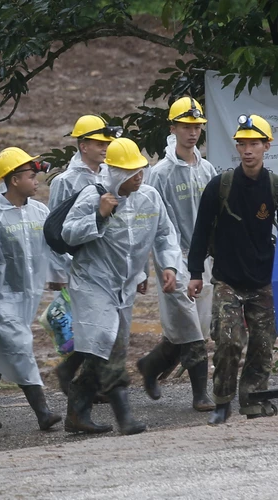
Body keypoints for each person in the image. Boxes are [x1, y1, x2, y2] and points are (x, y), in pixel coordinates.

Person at [62, 138, 181, 436]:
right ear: (114, 173)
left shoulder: (150, 198)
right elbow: (68, 234)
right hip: (92, 281)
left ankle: (76, 408)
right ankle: (124, 416)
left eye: (140, 171)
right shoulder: (93, 196)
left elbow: (165, 235)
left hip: (124, 285)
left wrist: (169, 266)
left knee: (107, 347)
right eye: (130, 172)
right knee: (108, 341)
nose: (138, 177)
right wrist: (98, 215)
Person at [0, 147, 62, 432]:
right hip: (0, 299)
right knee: (20, 347)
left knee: (0, 353)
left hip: (28, 297)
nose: (36, 181)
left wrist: (59, 276)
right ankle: (43, 412)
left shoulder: (39, 211)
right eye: (32, 176)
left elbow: (52, 248)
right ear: (14, 179)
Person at [187, 114, 277, 425]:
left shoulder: (273, 185)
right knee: (227, 340)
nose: (248, 150)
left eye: (254, 144)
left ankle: (252, 400)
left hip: (262, 278)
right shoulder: (220, 186)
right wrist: (195, 273)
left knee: (264, 343)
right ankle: (222, 401)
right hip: (226, 277)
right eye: (242, 144)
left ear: (267, 145)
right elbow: (200, 231)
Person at [137, 97, 216, 412]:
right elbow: (150, 222)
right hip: (174, 257)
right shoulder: (161, 173)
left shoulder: (207, 169)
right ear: (173, 128)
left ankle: (150, 365)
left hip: (204, 260)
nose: (193, 132)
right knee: (191, 328)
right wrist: (149, 266)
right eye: (186, 126)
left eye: (196, 126)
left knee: (198, 325)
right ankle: (201, 394)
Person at [48, 115, 118, 396]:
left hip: (105, 263)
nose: (104, 147)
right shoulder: (65, 181)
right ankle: (91, 386)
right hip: (77, 263)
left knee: (100, 325)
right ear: (82, 144)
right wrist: (58, 272)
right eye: (98, 142)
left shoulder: (108, 175)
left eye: (106, 142)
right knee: (93, 326)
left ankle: (78, 374)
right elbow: (53, 231)